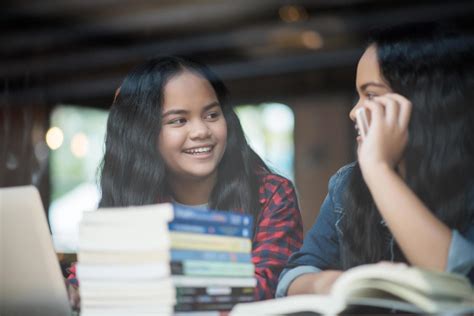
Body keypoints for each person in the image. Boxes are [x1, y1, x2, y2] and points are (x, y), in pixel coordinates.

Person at [67, 56, 303, 307]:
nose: (201, 131)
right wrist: (74, 291)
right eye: (178, 120)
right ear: (142, 134)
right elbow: (90, 276)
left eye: (212, 115)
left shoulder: (271, 194)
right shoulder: (133, 199)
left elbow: (264, 287)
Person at [276, 24, 474, 297]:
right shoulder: (346, 185)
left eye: (370, 95)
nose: (354, 112)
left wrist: (378, 168)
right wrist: (330, 283)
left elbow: (458, 284)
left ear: (422, 100)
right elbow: (294, 275)